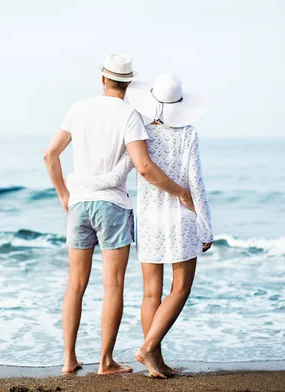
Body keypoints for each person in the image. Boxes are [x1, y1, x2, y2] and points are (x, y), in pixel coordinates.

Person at [43, 55, 195, 375]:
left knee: (76, 283)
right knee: (113, 286)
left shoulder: (78, 108)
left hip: (79, 204)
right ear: (128, 84)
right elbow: (143, 166)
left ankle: (69, 359)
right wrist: (180, 192)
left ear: (102, 80)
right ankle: (105, 361)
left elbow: (50, 154)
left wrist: (63, 195)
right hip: (112, 205)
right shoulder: (129, 115)